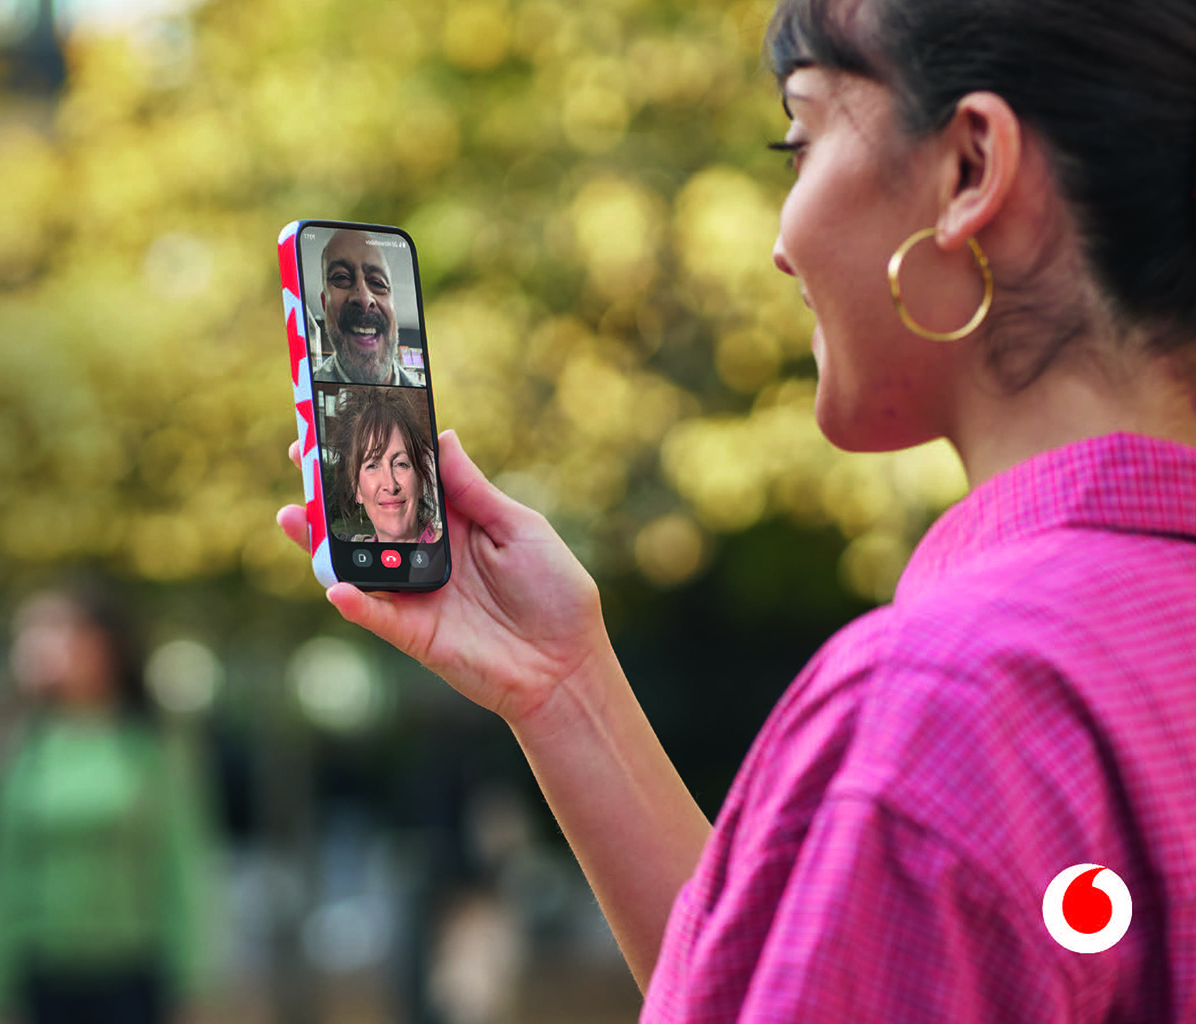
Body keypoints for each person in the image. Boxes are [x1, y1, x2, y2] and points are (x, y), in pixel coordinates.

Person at [280, 0, 1196, 1020]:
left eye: (799, 142)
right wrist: (565, 690)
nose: (780, 245)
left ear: (970, 168)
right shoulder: (1117, 643)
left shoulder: (946, 702)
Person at [0, 583, 221, 1024]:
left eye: (68, 634)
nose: (52, 650)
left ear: (107, 646)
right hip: (40, 977)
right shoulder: (14, 747)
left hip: (132, 978)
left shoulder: (150, 746)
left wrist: (192, 982)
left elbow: (182, 865)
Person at [327, 386, 442, 544]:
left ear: (420, 479)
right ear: (357, 489)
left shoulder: (454, 551)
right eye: (372, 466)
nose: (390, 485)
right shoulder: (352, 560)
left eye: (401, 464)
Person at [312, 229, 425, 387]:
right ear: (325, 304)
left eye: (377, 283)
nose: (364, 299)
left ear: (394, 308)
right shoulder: (306, 392)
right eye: (342, 278)